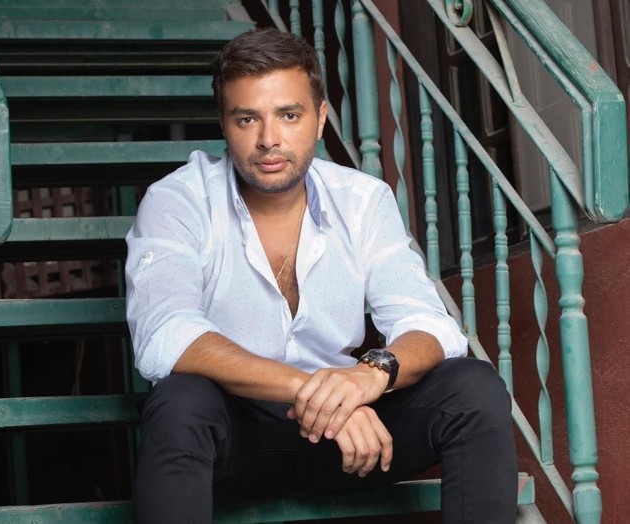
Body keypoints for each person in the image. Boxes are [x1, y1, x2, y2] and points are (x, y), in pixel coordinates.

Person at [125, 27, 517, 524]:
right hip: (235, 441)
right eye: (247, 118)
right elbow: (166, 335)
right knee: (180, 401)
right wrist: (319, 393)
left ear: (320, 118)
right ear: (224, 124)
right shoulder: (178, 201)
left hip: (351, 446)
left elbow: (430, 325)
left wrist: (367, 378)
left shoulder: (363, 200)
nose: (269, 140)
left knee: (473, 389)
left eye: (289, 115)